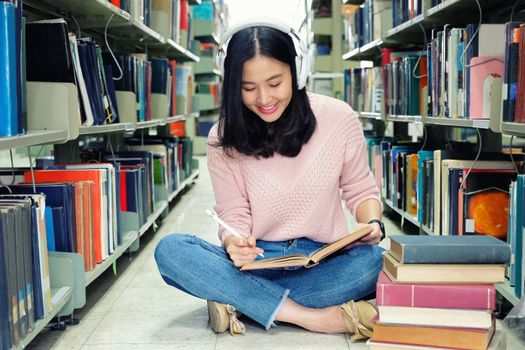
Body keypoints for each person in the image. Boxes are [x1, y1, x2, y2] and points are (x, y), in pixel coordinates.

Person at [154, 17, 384, 341]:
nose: (264, 98)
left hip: (321, 259)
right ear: (234, 86)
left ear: (298, 70)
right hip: (258, 260)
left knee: (373, 262)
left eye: (275, 83)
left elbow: (360, 189)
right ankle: (309, 317)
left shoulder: (338, 117)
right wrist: (235, 243)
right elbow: (233, 214)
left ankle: (241, 300)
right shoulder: (223, 137)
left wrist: (371, 223)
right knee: (171, 250)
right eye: (248, 88)